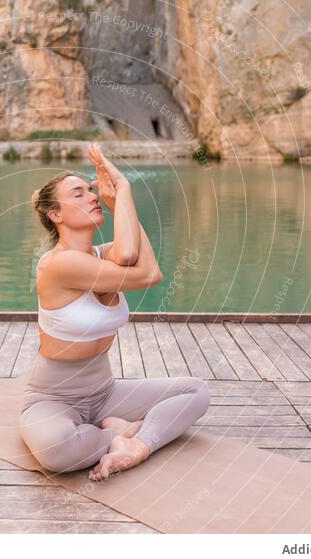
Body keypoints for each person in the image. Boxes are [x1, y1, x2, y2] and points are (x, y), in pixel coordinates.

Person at [21, 143, 211, 481]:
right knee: (57, 451)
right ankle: (118, 436)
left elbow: (151, 272)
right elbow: (129, 257)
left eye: (91, 191)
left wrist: (121, 202)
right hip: (54, 397)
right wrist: (122, 189)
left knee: (196, 391)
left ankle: (137, 444)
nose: (92, 196)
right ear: (56, 215)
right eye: (78, 194)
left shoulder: (101, 254)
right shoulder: (57, 264)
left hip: (105, 391)